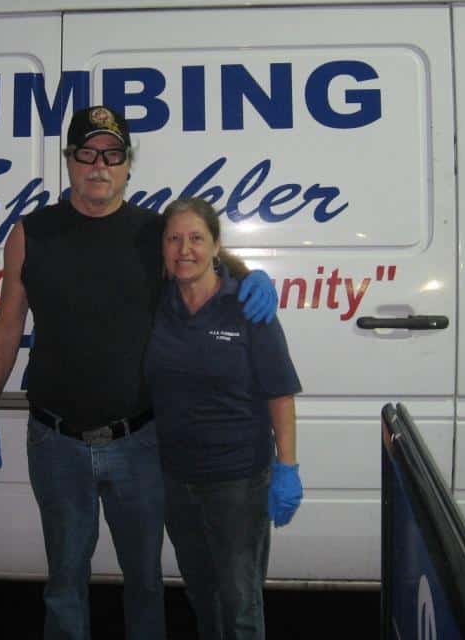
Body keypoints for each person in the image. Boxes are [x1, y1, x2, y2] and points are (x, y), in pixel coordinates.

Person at [0, 105, 278, 640]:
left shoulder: (152, 233)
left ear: (127, 165)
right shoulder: (30, 234)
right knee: (64, 581)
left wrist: (254, 276)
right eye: (86, 154)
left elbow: (205, 261)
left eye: (112, 155)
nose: (99, 165)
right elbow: (6, 326)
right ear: (68, 161)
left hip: (138, 440)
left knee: (144, 581)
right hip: (54, 440)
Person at [145, 197, 303, 640]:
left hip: (237, 482)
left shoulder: (248, 307)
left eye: (196, 238)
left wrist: (286, 466)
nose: (184, 249)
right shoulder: (157, 305)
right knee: (201, 594)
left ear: (216, 246)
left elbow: (279, 392)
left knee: (240, 604)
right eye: (174, 239)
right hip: (176, 480)